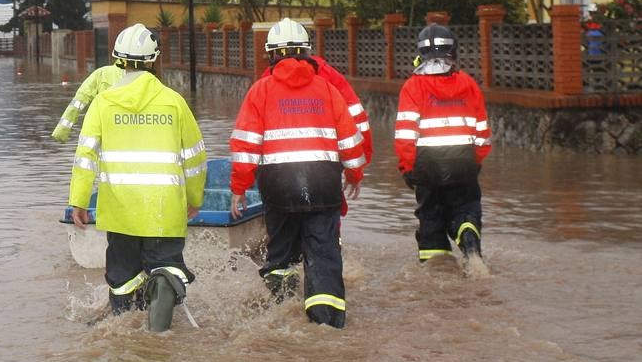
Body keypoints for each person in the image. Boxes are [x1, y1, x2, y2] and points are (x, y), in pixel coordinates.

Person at [67, 23, 207, 332]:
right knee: (166, 267)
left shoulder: (103, 103)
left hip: (120, 210)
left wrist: (78, 201)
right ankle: (161, 319)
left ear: (117, 60)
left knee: (122, 278)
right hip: (165, 209)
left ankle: (125, 331)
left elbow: (85, 157)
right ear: (154, 60)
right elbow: (196, 158)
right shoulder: (174, 101)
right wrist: (195, 199)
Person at [229, 17, 365, 329]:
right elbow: (350, 141)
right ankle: (325, 322)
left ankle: (282, 307)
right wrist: (354, 176)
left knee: (281, 253)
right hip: (323, 187)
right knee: (323, 255)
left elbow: (246, 145)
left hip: (277, 189)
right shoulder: (328, 90)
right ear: (306, 52)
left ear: (271, 54)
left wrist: (239, 187)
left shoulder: (259, 91)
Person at [394, 24, 491, 263]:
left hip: (427, 165)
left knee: (431, 218)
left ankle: (436, 270)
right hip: (464, 161)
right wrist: (476, 161)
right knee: (466, 207)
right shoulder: (469, 83)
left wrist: (407, 168)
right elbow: (482, 131)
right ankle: (467, 231)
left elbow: (406, 134)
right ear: (453, 51)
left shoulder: (412, 86)